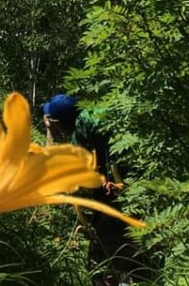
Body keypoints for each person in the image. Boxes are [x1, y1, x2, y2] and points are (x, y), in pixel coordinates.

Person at [43, 94, 147, 285]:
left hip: (113, 203)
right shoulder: (97, 119)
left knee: (107, 262)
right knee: (134, 255)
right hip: (135, 192)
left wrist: (50, 133)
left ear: (59, 121)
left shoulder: (81, 132)